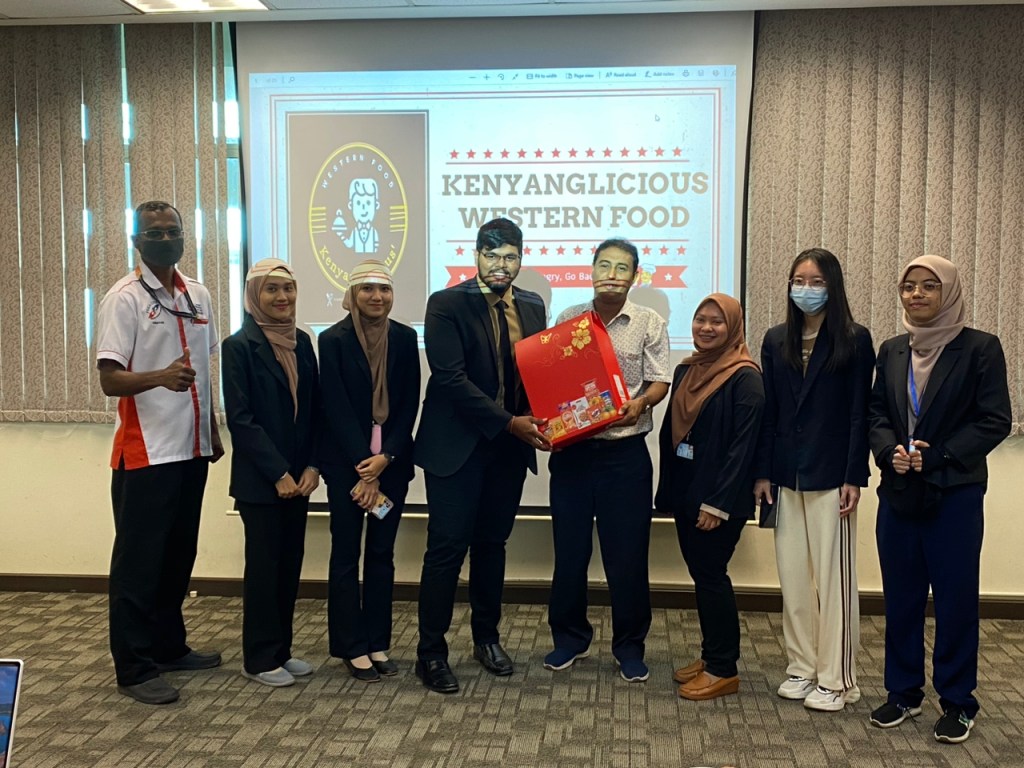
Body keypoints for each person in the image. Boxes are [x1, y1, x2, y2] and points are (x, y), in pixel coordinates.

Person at [867, 255, 1011, 744]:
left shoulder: (980, 348)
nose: (917, 294)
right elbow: (876, 413)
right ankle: (903, 692)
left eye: (929, 286)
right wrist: (888, 452)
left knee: (954, 601)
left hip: (954, 494)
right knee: (901, 599)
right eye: (909, 286)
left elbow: (994, 420)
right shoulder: (892, 350)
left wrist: (940, 455)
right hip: (899, 492)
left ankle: (958, 701)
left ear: (948, 292)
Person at [413, 217, 550, 694]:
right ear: (475, 256)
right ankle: (431, 653)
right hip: (456, 447)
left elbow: (536, 372)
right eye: (491, 255)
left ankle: (486, 639)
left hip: (507, 452)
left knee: (492, 546)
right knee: (446, 550)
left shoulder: (532, 305)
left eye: (510, 256)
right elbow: (450, 379)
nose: (500, 265)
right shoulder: (446, 303)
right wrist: (510, 422)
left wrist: (549, 415)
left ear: (521, 259)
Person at [96, 200, 224, 705]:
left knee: (178, 555)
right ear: (136, 241)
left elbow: (204, 370)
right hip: (145, 452)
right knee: (139, 564)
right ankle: (134, 668)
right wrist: (159, 377)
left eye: (173, 231)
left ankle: (169, 646)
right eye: (154, 233)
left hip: (191, 450)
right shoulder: (123, 298)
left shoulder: (198, 294)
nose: (166, 239)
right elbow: (110, 380)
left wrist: (212, 431)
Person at [752, 248, 875, 712]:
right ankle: (801, 667)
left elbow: (860, 413)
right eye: (798, 280)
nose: (806, 289)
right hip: (786, 474)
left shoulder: (854, 339)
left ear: (833, 286)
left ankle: (837, 678)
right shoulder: (775, 339)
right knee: (793, 580)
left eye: (816, 281)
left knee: (833, 580)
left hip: (832, 475)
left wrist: (854, 475)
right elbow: (771, 412)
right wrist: (763, 471)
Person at [544, 239, 671, 683]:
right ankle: (569, 638)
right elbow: (555, 380)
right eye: (604, 265)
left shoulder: (649, 322)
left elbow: (659, 381)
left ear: (635, 276)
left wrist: (642, 403)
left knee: (627, 557)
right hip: (575, 456)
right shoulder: (569, 319)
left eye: (622, 268)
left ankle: (630, 646)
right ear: (592, 270)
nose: (612, 274)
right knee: (570, 553)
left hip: (625, 455)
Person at [655, 294, 764, 701]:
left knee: (712, 576)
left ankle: (723, 668)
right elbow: (674, 435)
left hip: (718, 501)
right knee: (703, 576)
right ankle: (710, 655)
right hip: (688, 492)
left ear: (733, 327)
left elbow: (743, 449)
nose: (706, 327)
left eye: (717, 322)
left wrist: (716, 504)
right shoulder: (687, 369)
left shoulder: (745, 377)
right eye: (700, 319)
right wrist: (670, 493)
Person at [318, 260, 420, 683]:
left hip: (391, 467)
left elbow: (410, 403)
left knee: (382, 554)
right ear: (352, 294)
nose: (377, 297)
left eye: (384, 289)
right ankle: (351, 646)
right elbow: (335, 405)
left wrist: (386, 458)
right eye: (367, 289)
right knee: (346, 554)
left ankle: (377, 641)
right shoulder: (331, 339)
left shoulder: (406, 337)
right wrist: (364, 466)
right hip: (347, 467)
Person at [221, 259, 321, 688]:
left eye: (288, 288)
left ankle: (281, 650)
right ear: (254, 295)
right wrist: (277, 471)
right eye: (271, 289)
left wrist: (312, 466)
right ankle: (258, 658)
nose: (282, 297)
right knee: (264, 570)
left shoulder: (303, 341)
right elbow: (241, 420)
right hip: (262, 482)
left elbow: (314, 410)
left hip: (299, 481)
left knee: (288, 567)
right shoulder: (238, 346)